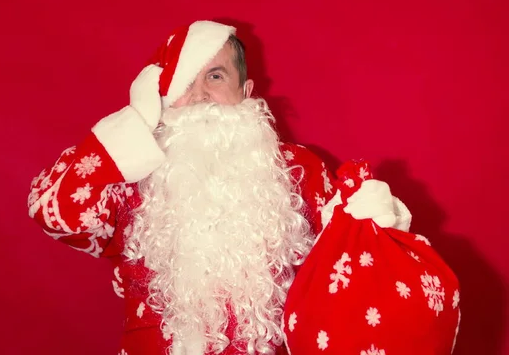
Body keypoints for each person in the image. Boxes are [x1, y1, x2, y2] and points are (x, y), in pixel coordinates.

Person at [27, 20, 460, 355]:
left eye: (214, 77)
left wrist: (375, 223)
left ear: (246, 92)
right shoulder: (131, 171)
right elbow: (57, 215)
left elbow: (353, 272)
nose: (196, 96)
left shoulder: (298, 169)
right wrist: (135, 124)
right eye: (180, 84)